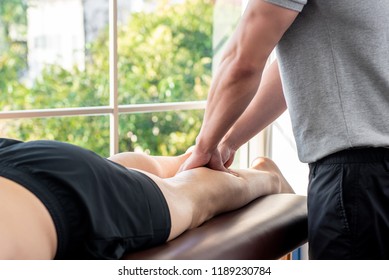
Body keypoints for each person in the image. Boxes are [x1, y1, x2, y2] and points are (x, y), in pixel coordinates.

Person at [179, 0, 389, 259]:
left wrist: (203, 147)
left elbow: (241, 61)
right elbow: (292, 71)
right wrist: (226, 142)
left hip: (357, 182)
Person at [0, 137, 293, 260]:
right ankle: (184, 159)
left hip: (63, 195)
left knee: (190, 196)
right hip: (23, 161)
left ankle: (267, 175)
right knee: (114, 170)